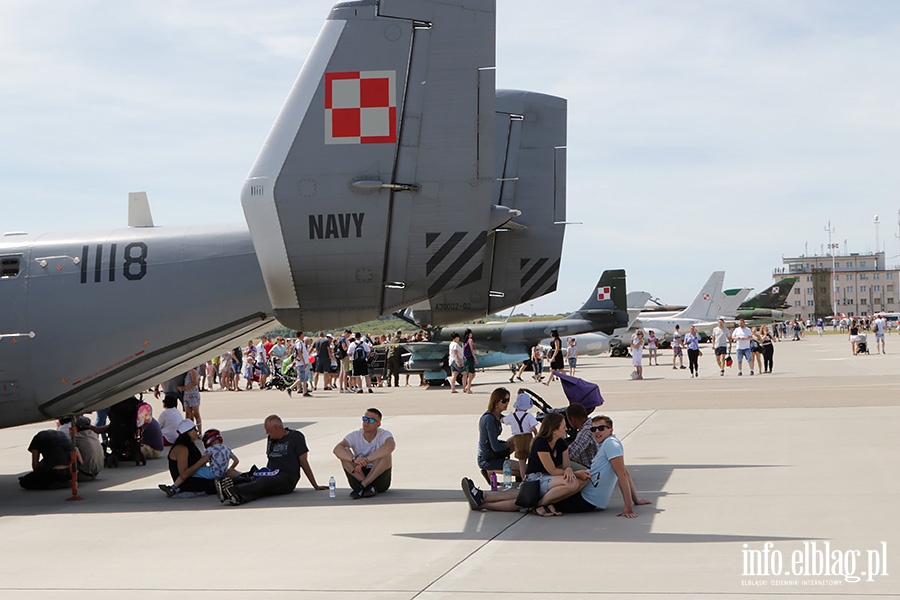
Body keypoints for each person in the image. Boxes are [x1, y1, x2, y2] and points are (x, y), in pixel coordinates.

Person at [215, 415, 328, 505]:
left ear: (276, 427)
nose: (266, 433)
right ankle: (236, 496)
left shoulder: (296, 437)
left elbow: (304, 461)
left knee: (264, 482)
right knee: (253, 480)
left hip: (286, 478)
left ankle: (232, 491)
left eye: (267, 430)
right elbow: (270, 459)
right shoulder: (271, 438)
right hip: (270, 473)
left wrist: (315, 485)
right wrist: (260, 474)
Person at [553, 415, 652, 517]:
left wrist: (628, 508)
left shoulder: (611, 444)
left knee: (547, 498)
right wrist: (635, 500)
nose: (597, 432)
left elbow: (622, 475)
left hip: (585, 500)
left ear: (610, 430)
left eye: (601, 428)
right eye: (593, 429)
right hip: (586, 496)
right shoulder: (608, 444)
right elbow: (625, 472)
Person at [333, 408, 395, 498]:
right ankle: (366, 486)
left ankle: (363, 485)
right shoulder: (355, 435)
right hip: (358, 474)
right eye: (365, 419)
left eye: (371, 420)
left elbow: (390, 446)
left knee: (386, 455)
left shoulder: (384, 434)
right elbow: (337, 449)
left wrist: (366, 460)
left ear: (378, 424)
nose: (367, 423)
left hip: (379, 478)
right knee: (345, 454)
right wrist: (354, 459)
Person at [160, 428, 240, 497]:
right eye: (195, 429)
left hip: (211, 473)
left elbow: (188, 472)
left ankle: (173, 488)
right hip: (222, 472)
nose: (197, 431)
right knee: (231, 472)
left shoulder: (210, 449)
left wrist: (203, 462)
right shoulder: (227, 448)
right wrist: (228, 468)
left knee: (191, 472)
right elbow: (236, 461)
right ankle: (245, 477)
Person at [163, 419, 215, 496]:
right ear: (189, 432)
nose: (197, 432)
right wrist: (201, 461)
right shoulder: (182, 449)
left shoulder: (190, 445)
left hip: (196, 477)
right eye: (195, 430)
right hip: (186, 483)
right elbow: (183, 475)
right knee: (218, 483)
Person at [477, 387, 516, 483]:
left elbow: (511, 420)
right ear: (496, 402)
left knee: (519, 439)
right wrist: (509, 444)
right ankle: (489, 470)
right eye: (504, 401)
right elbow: (496, 447)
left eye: (508, 400)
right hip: (487, 458)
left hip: (493, 453)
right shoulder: (489, 419)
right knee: (520, 470)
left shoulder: (497, 415)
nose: (507, 403)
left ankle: (497, 468)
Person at [501, 392, 538, 480]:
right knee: (530, 460)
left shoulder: (512, 416)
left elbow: (503, 420)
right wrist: (536, 436)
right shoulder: (529, 416)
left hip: (518, 439)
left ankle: (524, 480)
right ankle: (531, 478)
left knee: (521, 463)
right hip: (528, 438)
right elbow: (533, 428)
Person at [565, 403, 595, 471]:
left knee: (561, 463)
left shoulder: (586, 431)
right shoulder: (592, 424)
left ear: (573, 420)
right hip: (590, 465)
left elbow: (571, 453)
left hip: (590, 469)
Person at [287, 331, 313, 397]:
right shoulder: (299, 342)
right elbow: (299, 352)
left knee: (304, 378)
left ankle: (305, 392)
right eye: (303, 334)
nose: (303, 335)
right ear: (300, 335)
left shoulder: (301, 342)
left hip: (303, 362)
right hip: (301, 363)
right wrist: (303, 362)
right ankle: (290, 388)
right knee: (302, 378)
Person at [179, 367, 202, 432]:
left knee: (196, 414)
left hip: (193, 394)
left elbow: (195, 383)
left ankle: (199, 431)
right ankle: (190, 430)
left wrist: (183, 388)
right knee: (188, 414)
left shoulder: (192, 370)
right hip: (187, 395)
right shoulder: (188, 371)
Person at [462, 329, 478, 394]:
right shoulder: (470, 340)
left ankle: (467, 386)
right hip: (470, 358)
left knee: (472, 374)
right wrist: (475, 358)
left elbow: (463, 351)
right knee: (471, 374)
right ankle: (468, 389)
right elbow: (472, 350)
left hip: (466, 359)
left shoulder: (464, 342)